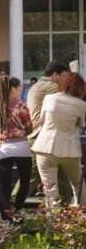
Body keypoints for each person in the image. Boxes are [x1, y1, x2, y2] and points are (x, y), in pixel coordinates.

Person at [15, 61, 72, 203]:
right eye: (65, 76)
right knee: (31, 177)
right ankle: (10, 207)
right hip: (42, 138)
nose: (67, 79)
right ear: (55, 75)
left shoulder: (37, 86)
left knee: (61, 177)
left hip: (44, 138)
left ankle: (65, 214)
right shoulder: (51, 86)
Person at [32, 73, 86, 208]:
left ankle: (54, 220)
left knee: (50, 188)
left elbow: (42, 120)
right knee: (78, 184)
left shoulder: (49, 98)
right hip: (70, 150)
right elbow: (81, 125)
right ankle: (82, 215)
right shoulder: (81, 105)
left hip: (44, 148)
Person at [0, 74, 33, 220]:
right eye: (18, 87)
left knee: (5, 184)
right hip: (21, 147)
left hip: (3, 148)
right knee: (25, 180)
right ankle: (17, 209)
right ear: (12, 88)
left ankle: (5, 215)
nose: (19, 89)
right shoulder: (20, 105)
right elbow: (29, 127)